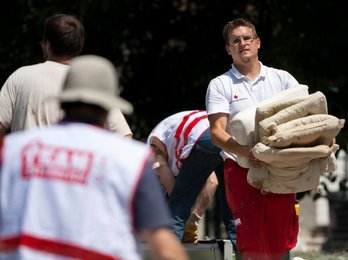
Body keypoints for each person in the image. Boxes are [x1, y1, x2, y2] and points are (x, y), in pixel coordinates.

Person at [0, 55, 188, 260]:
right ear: (108, 109)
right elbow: (163, 245)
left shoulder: (12, 150)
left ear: (62, 104)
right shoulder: (132, 159)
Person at [205, 18, 300, 259]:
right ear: (229, 49)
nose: (242, 43)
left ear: (257, 43)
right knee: (251, 244)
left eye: (247, 38)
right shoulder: (220, 84)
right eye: (235, 40)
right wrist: (245, 151)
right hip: (240, 170)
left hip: (280, 169)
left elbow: (304, 118)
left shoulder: (283, 79)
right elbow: (217, 132)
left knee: (279, 243)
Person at [0, 13, 132, 139]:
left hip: (27, 160)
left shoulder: (20, 77)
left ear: (47, 44)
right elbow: (124, 136)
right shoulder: (89, 82)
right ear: (79, 46)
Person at [147, 110, 237, 248]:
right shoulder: (176, 146)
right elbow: (212, 182)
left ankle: (170, 253)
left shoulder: (152, 147)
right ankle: (241, 251)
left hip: (202, 136)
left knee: (176, 211)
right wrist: (193, 220)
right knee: (231, 207)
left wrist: (182, 219)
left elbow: (174, 193)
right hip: (229, 135)